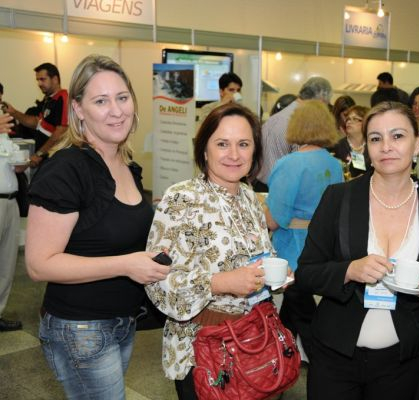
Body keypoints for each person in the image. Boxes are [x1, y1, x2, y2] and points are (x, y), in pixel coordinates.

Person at [25, 55, 170, 399]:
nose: (116, 111)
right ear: (78, 109)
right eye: (101, 101)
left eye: (122, 97)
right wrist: (126, 265)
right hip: (80, 327)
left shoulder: (127, 165)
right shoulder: (66, 170)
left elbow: (113, 235)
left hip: (123, 321)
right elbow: (39, 265)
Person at [295, 101, 419, 399]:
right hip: (334, 355)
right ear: (367, 148)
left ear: (417, 144)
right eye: (375, 138)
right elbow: (306, 273)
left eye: (397, 136)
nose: (386, 147)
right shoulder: (339, 198)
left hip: (403, 359)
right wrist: (349, 270)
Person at [145, 103, 275, 400]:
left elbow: (257, 255)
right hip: (201, 349)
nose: (234, 154)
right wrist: (220, 282)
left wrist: (274, 271)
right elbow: (156, 281)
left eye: (244, 144)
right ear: (204, 150)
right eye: (222, 144)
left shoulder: (249, 197)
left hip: (251, 341)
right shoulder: (181, 199)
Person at [264, 100, 343, 361]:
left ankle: (317, 364)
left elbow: (274, 220)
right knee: (292, 311)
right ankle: (283, 360)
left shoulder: (289, 164)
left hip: (293, 249)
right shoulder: (334, 164)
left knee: (303, 314)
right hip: (322, 247)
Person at [256, 76, 332, 190]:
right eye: (326, 105)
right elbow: (302, 167)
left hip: (260, 186)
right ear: (321, 101)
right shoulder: (302, 122)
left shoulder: (276, 117)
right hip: (282, 189)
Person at [4, 63, 68, 167]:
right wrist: (13, 112)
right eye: (37, 80)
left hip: (55, 160)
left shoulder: (63, 98)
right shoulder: (49, 99)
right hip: (44, 159)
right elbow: (38, 123)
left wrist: (39, 154)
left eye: (43, 79)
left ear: (55, 79)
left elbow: (61, 131)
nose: (39, 83)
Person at [0, 111, 24, 332]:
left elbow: (13, 161)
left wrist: (20, 163)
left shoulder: (4, 132)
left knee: (7, 262)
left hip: (10, 201)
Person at [331, 105, 371, 178]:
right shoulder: (337, 146)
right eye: (348, 119)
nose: (349, 122)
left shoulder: (372, 144)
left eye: (355, 119)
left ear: (366, 123)